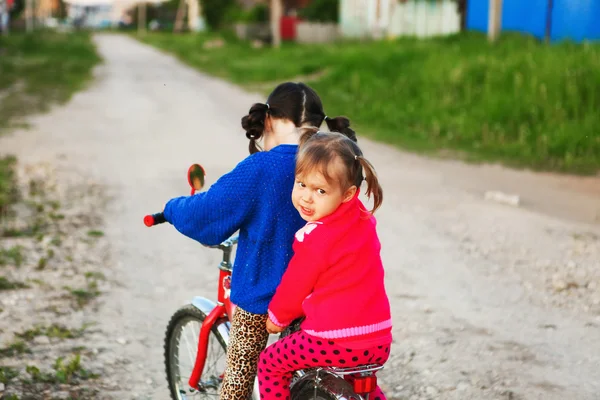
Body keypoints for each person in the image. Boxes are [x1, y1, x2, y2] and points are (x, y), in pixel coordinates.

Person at [162, 82, 356, 400]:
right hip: (325, 298)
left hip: (264, 303)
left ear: (268, 121)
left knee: (238, 379)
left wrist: (173, 209)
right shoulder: (334, 166)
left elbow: (205, 214)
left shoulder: (260, 168)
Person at [259, 131, 392, 400]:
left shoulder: (315, 237)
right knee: (359, 384)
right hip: (378, 339)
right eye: (301, 184)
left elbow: (296, 285)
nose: (307, 198)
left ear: (347, 194)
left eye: (320, 190)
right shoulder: (362, 219)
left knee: (270, 363)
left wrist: (276, 318)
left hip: (331, 340)